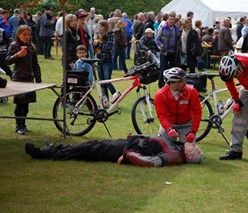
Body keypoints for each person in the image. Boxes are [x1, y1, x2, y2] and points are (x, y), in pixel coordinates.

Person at [24, 134, 204, 167]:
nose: (193, 144)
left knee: (88, 149)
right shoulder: (178, 147)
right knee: (90, 145)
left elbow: (150, 162)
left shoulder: (174, 156)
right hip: (127, 143)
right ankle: (53, 149)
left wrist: (127, 156)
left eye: (194, 148)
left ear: (189, 156)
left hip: (124, 149)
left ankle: (44, 154)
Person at [5, 25, 42, 134]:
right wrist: (18, 55)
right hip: (19, 78)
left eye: (28, 35)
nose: (27, 37)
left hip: (29, 78)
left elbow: (35, 64)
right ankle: (18, 126)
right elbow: (7, 61)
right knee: (19, 104)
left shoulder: (31, 47)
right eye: (24, 34)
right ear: (18, 35)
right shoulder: (14, 46)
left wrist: (38, 78)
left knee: (26, 104)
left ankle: (23, 124)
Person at [154, 67, 202, 143]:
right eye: (181, 81)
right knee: (162, 148)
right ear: (172, 83)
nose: (184, 83)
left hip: (187, 124)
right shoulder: (160, 95)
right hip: (169, 123)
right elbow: (161, 115)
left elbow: (198, 112)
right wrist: (169, 129)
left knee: (189, 151)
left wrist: (193, 131)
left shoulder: (191, 92)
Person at [155, 12, 181, 88]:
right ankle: (161, 86)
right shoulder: (163, 28)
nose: (171, 21)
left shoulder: (177, 29)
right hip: (164, 52)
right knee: (163, 69)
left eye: (173, 20)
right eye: (170, 19)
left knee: (172, 71)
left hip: (173, 53)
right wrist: (161, 46)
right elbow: (157, 39)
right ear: (167, 20)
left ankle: (171, 85)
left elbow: (178, 40)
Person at [93, 20, 117, 100]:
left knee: (107, 82)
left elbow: (109, 48)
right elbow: (97, 49)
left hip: (107, 61)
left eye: (101, 26)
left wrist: (98, 44)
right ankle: (105, 100)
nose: (99, 28)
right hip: (99, 60)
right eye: (98, 26)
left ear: (105, 27)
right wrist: (96, 46)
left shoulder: (110, 35)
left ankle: (116, 96)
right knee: (101, 83)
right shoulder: (98, 36)